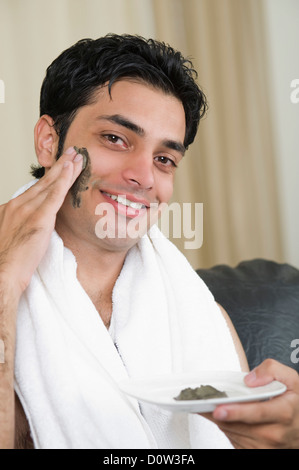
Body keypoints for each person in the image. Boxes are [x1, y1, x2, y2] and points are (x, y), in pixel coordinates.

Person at [0, 34, 298, 450]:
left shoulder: (203, 317)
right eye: (116, 139)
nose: (144, 176)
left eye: (164, 159)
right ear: (50, 141)